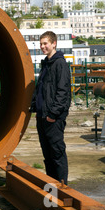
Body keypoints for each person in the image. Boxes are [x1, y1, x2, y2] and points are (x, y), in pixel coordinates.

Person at [30, 31, 71, 185]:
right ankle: (52, 186)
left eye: (45, 43)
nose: (42, 47)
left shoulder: (59, 64)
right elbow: (41, 89)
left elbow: (63, 92)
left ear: (54, 44)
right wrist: (35, 107)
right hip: (42, 116)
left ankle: (62, 186)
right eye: (41, 44)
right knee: (47, 155)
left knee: (57, 152)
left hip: (53, 118)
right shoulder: (46, 64)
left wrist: (53, 114)